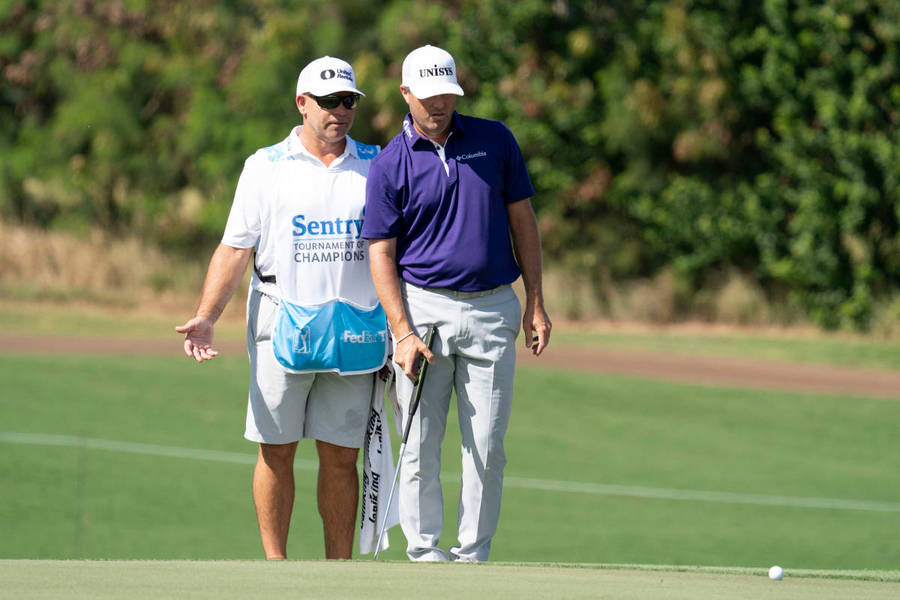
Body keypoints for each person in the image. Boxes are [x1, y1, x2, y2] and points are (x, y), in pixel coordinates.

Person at [175, 56, 386, 560]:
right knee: (276, 451)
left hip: (354, 330)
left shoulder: (378, 164)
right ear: (302, 103)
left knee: (341, 458)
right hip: (281, 325)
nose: (341, 110)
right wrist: (207, 315)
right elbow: (234, 249)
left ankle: (339, 571)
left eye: (349, 101)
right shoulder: (264, 166)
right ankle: (277, 569)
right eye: (329, 101)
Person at [361, 44, 552, 562]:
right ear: (406, 94)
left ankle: (473, 554)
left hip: (493, 309)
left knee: (487, 446)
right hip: (421, 310)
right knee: (420, 440)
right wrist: (401, 330)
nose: (439, 103)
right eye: (428, 96)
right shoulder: (388, 164)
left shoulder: (495, 140)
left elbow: (523, 222)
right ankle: (423, 551)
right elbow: (380, 251)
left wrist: (535, 301)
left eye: (446, 92)